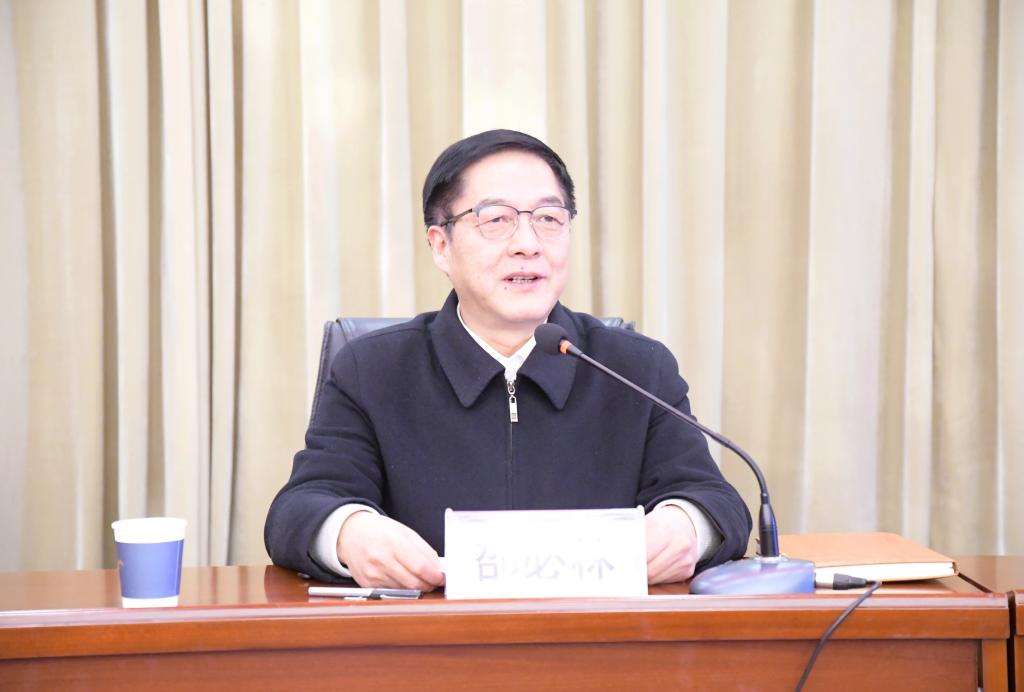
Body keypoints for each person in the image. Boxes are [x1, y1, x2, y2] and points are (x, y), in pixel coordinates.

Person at [264, 129, 751, 590]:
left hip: (598, 639)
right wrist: (349, 531)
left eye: (549, 219)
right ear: (440, 245)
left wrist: (686, 525)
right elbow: (300, 507)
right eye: (495, 219)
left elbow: (717, 502)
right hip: (429, 639)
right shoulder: (373, 370)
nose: (527, 244)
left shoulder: (635, 368)